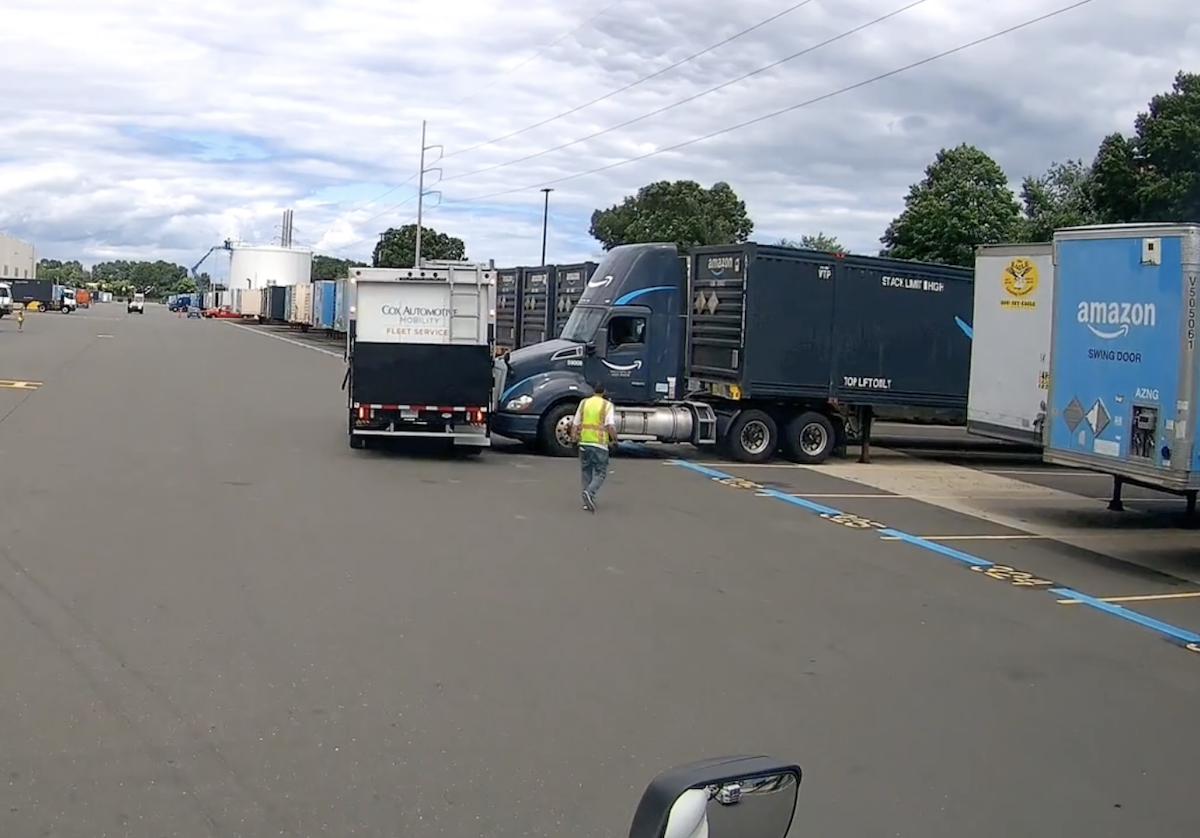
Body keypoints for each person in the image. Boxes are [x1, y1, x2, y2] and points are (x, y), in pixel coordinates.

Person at [570, 383, 617, 513]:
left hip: (584, 442)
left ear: (593, 391)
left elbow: (575, 424)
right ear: (604, 391)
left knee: (586, 471)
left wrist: (574, 439)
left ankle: (586, 500)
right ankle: (590, 493)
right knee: (600, 472)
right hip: (599, 444)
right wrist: (615, 440)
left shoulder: (584, 403)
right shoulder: (607, 405)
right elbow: (610, 426)